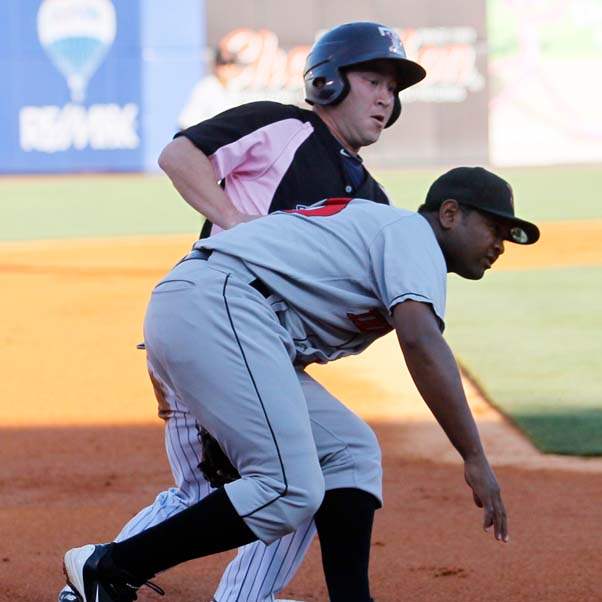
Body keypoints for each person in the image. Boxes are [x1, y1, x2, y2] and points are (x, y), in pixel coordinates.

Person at [58, 21, 427, 602]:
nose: (387, 97)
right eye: (373, 79)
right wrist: (233, 221)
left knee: (302, 471)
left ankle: (237, 595)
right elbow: (180, 155)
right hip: (215, 324)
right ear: (328, 82)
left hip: (258, 350)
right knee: (213, 490)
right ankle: (91, 586)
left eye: (394, 88)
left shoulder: (371, 199)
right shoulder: (286, 126)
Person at [63, 166, 539, 602]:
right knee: (288, 488)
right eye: (494, 228)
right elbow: (420, 341)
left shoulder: (392, 237)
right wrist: (474, 457)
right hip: (222, 307)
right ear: (450, 214)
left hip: (221, 314)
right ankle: (111, 566)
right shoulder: (413, 235)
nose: (500, 243)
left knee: (350, 451)